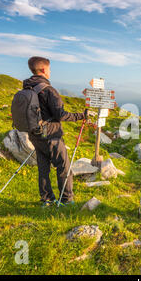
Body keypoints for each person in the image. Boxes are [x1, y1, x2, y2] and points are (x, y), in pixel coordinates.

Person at [23, 56, 88, 207]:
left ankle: (47, 199)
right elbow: (61, 115)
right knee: (63, 167)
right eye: (50, 69)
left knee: (43, 167)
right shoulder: (49, 90)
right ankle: (66, 199)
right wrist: (81, 115)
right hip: (51, 135)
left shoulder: (27, 88)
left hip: (34, 134)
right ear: (44, 70)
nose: (50, 72)